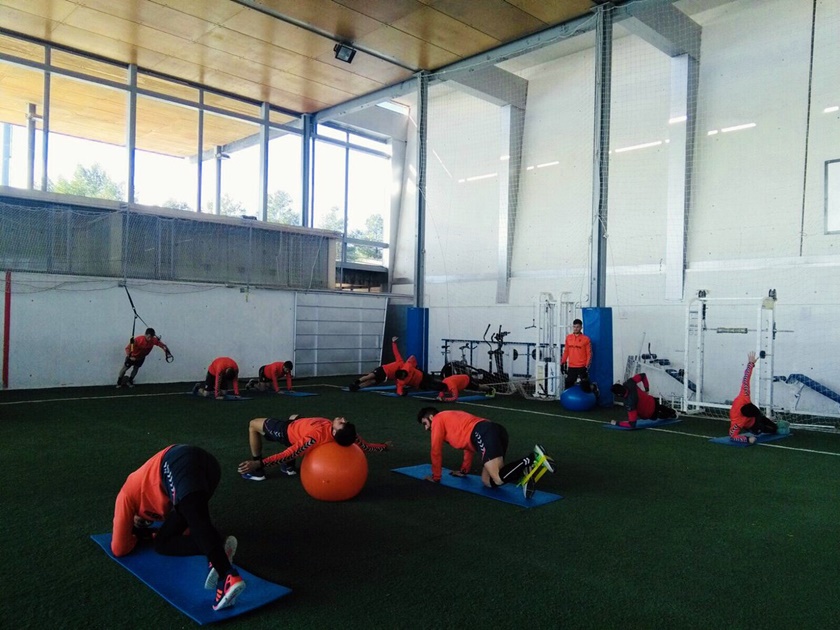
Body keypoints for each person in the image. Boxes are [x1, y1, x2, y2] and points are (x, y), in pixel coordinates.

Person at [111, 444, 245, 611]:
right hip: (206, 470)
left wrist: (135, 536)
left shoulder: (126, 495)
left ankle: (226, 575)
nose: (143, 521)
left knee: (196, 518)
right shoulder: (159, 504)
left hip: (176, 461)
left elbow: (119, 548)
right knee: (162, 543)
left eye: (138, 522)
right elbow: (187, 532)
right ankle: (220, 546)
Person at [415, 407, 554, 499]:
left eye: (425, 423)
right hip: (492, 431)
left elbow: (435, 450)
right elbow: (468, 447)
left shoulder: (438, 419)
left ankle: (533, 457)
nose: (426, 428)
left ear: (431, 417)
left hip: (484, 432)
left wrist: (436, 477)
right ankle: (524, 470)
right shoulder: (450, 421)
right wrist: (464, 471)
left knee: (498, 478)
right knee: (488, 482)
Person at [237, 414, 392, 480]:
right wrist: (383, 446)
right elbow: (366, 447)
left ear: (334, 432)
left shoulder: (315, 438)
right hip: (297, 425)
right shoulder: (351, 436)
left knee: (253, 424)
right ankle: (289, 467)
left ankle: (258, 473)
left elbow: (289, 453)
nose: (343, 419)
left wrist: (258, 463)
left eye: (342, 423)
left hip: (286, 432)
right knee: (294, 417)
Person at [729, 352, 778, 444]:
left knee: (775, 428)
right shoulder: (737, 420)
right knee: (766, 430)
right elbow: (732, 436)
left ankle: (764, 419)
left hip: (757, 416)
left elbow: (746, 379)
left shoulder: (744, 396)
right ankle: (760, 427)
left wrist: (751, 363)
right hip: (752, 425)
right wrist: (747, 439)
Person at [609, 373, 677, 428]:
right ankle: (672, 412)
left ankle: (671, 415)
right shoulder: (630, 382)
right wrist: (647, 389)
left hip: (649, 414)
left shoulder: (629, 403)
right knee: (659, 406)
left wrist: (617, 423)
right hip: (652, 401)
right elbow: (643, 376)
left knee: (658, 415)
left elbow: (632, 424)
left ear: (619, 394)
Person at [561, 318, 592, 390]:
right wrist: (562, 362)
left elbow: (589, 353)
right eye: (574, 327)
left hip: (582, 366)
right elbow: (566, 351)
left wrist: (586, 366)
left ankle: (593, 390)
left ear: (581, 327)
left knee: (585, 386)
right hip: (572, 366)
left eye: (577, 327)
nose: (576, 328)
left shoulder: (586, 339)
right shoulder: (568, 338)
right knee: (568, 384)